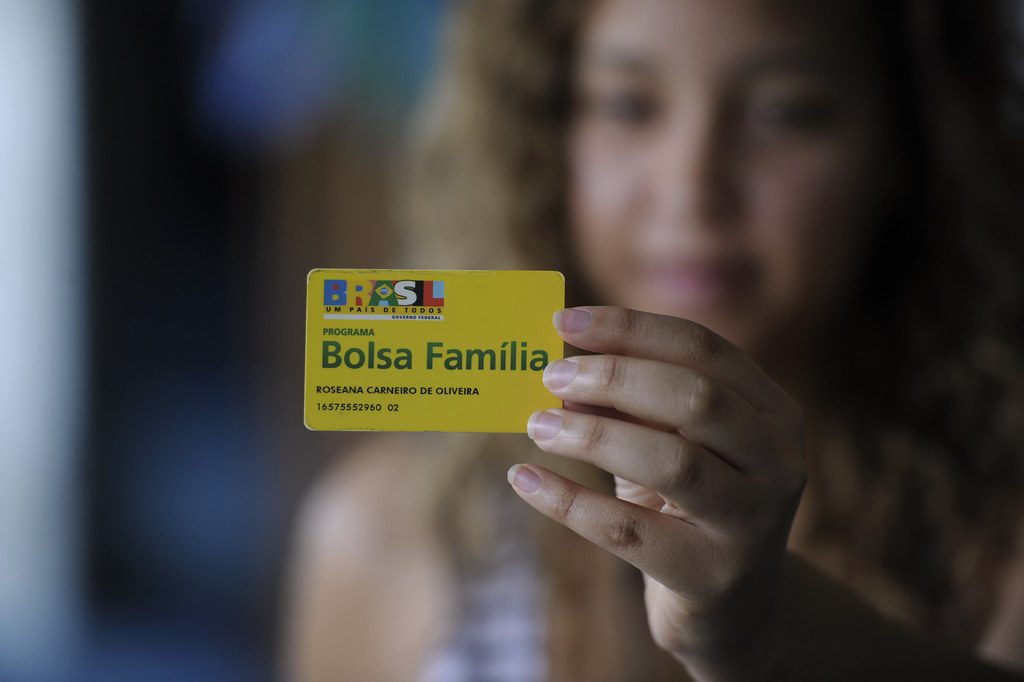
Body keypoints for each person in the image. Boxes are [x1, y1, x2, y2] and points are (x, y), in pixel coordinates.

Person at [282, 0, 1024, 679]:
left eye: (786, 111)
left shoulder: (998, 557)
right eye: (628, 104)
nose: (691, 186)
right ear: (545, 136)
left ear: (906, 145)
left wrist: (760, 635)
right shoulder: (383, 537)